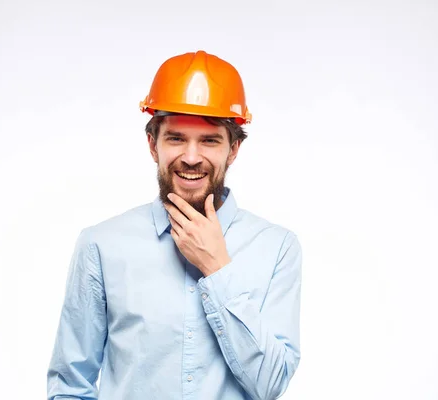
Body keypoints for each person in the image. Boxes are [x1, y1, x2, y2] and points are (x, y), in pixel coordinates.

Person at [47, 50, 302, 400]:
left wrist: (216, 269)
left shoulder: (277, 248)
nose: (192, 156)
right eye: (176, 138)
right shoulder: (101, 246)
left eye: (210, 140)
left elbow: (270, 385)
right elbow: (70, 387)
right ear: (153, 144)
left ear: (234, 150)